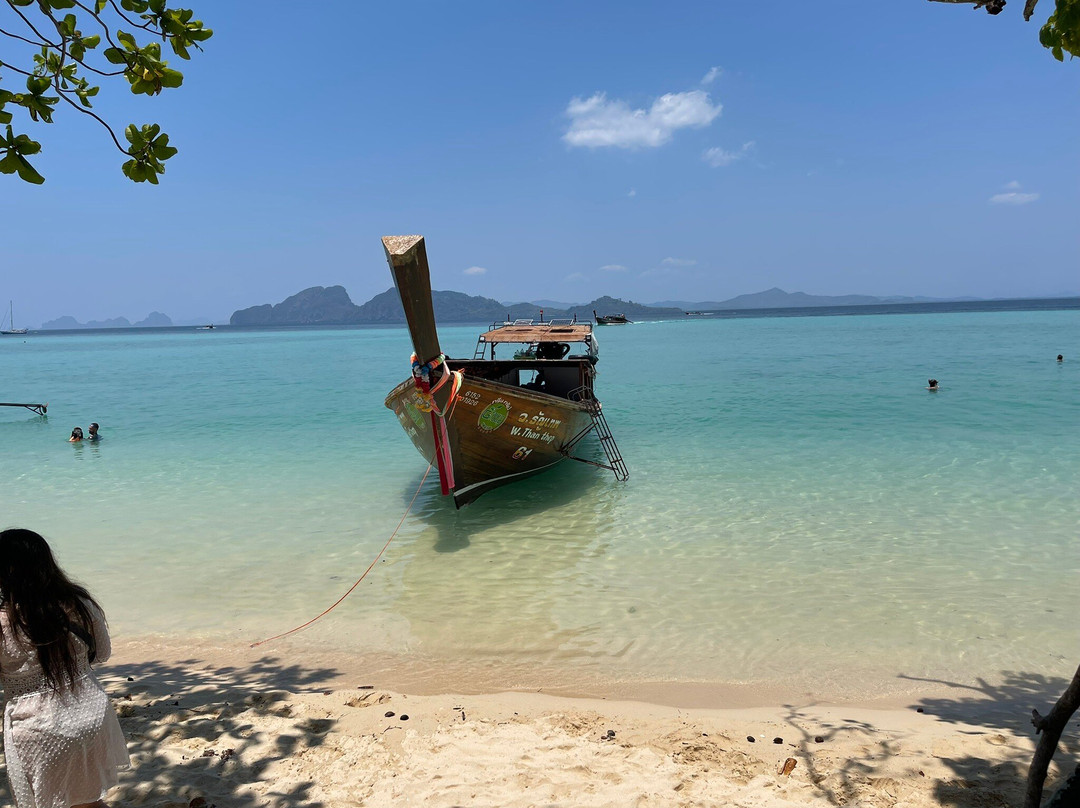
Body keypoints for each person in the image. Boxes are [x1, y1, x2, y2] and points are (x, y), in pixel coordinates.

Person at [0, 528, 129, 808]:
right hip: (91, 714)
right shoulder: (79, 602)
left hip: (39, 728)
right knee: (89, 801)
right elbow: (103, 653)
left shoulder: (4, 622)